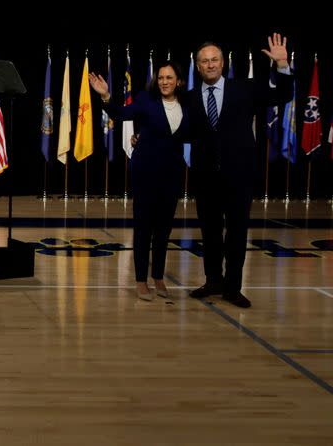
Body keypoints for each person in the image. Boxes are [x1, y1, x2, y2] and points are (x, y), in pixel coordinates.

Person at [188, 33, 293, 308]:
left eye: (214, 60)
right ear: (197, 66)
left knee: (236, 233)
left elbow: (282, 95)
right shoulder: (189, 98)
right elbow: (176, 131)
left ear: (222, 63)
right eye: (204, 61)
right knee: (210, 233)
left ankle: (233, 287)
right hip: (205, 178)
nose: (210, 65)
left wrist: (282, 65)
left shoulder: (245, 89)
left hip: (239, 177)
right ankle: (213, 280)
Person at [90, 61, 188, 301]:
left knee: (164, 230)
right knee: (144, 228)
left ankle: (159, 277)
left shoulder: (188, 103)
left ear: (178, 81)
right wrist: (106, 97)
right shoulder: (146, 99)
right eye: (161, 77)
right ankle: (141, 280)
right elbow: (121, 114)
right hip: (145, 172)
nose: (164, 81)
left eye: (169, 77)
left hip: (172, 174)